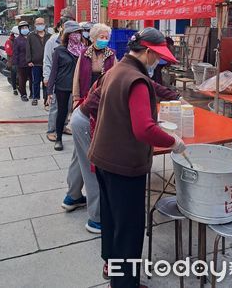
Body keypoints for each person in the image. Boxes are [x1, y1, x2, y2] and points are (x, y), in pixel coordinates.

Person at [88, 28, 186, 288]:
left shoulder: (116, 70)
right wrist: (173, 142)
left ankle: (112, 269)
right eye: (158, 56)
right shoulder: (136, 81)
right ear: (149, 52)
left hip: (104, 159)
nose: (158, 62)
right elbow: (144, 128)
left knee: (112, 220)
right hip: (124, 165)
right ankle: (124, 284)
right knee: (129, 229)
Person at [64, 71, 181, 241]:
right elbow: (148, 93)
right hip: (87, 120)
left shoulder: (122, 70)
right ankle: (96, 219)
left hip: (81, 116)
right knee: (94, 168)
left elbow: (152, 86)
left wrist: (176, 96)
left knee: (79, 159)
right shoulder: (126, 74)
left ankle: (72, 197)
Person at [47, 21, 84, 151]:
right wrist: (49, 91)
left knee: (78, 114)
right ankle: (58, 139)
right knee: (62, 112)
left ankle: (80, 140)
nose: (76, 35)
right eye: (73, 33)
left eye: (78, 33)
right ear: (67, 35)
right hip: (62, 86)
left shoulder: (83, 51)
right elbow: (53, 71)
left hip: (78, 87)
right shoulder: (59, 51)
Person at [72, 23, 116, 106]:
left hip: (104, 93)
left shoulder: (111, 54)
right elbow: (77, 76)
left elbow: (116, 76)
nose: (104, 40)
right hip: (87, 90)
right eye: (101, 37)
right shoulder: (84, 53)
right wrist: (76, 97)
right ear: (94, 38)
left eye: (106, 38)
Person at [26, 17, 51, 106]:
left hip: (46, 63)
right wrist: (29, 60)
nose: (40, 25)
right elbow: (28, 49)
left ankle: (46, 99)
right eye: (38, 24)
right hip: (35, 63)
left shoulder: (49, 36)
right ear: (35, 25)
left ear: (45, 24)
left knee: (46, 81)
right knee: (35, 81)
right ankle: (35, 97)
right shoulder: (31, 36)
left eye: (42, 23)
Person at [13, 21, 32, 102]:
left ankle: (33, 94)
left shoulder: (32, 38)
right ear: (20, 30)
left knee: (33, 80)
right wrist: (15, 64)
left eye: (26, 28)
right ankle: (23, 94)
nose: (25, 29)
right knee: (22, 80)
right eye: (23, 28)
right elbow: (15, 52)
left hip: (31, 63)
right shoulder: (17, 40)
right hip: (22, 63)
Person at [5, 27, 18, 96]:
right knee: (13, 75)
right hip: (13, 61)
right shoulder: (9, 41)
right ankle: (14, 89)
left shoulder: (20, 39)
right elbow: (9, 52)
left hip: (21, 61)